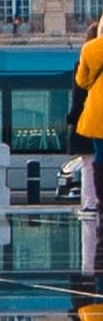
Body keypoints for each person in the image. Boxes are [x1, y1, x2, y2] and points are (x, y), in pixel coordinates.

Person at [75, 12, 103, 223]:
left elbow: (82, 81)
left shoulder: (90, 49)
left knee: (99, 156)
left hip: (98, 111)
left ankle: (100, 198)